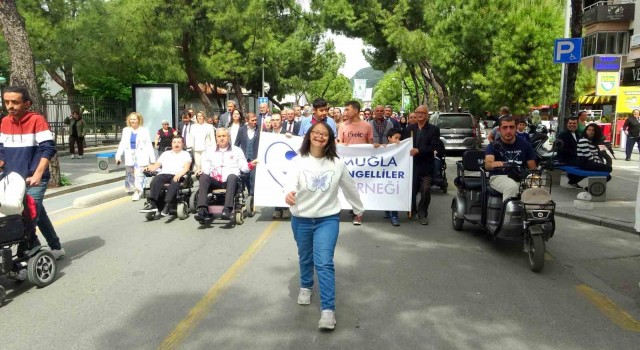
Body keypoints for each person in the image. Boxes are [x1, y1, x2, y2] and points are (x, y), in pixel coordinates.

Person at [284, 121, 364, 330]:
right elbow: (290, 182)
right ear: (309, 135)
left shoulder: (337, 163)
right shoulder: (298, 161)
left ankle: (328, 311)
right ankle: (306, 285)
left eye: (324, 134)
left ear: (329, 139)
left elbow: (349, 187)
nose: (320, 136)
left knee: (324, 262)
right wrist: (289, 193)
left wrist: (358, 209)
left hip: (327, 219)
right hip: (301, 217)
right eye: (316, 133)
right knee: (305, 256)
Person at [0, 86, 65, 259]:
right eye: (7, 101)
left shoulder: (37, 120)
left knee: (27, 221)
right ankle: (55, 246)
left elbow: (48, 149)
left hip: (33, 178)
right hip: (13, 180)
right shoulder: (5, 122)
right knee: (37, 213)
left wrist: (38, 174)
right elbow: (2, 150)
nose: (10, 106)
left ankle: (24, 257)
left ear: (27, 103)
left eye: (15, 102)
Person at [195, 128, 256, 221]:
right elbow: (206, 169)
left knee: (232, 176)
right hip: (215, 180)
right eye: (219, 136)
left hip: (231, 181)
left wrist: (251, 165)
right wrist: (202, 172)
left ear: (229, 137)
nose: (221, 138)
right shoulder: (209, 151)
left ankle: (227, 209)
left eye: (224, 136)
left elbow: (244, 168)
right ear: (216, 138)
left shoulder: (237, 150)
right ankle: (202, 209)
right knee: (203, 177)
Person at [402, 105, 440, 225]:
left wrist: (419, 150)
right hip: (412, 165)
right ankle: (412, 210)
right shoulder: (410, 129)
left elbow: (435, 146)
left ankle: (422, 213)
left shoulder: (433, 130)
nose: (419, 115)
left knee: (425, 190)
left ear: (427, 115)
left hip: (426, 164)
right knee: (411, 189)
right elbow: (403, 143)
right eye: (417, 112)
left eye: (422, 113)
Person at [484, 116, 537, 201]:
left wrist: (534, 177)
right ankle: (508, 214)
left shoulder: (526, 145)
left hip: (520, 176)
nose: (508, 131)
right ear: (499, 130)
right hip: (499, 176)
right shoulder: (493, 145)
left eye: (511, 127)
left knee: (538, 188)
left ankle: (531, 213)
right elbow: (488, 164)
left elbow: (532, 168)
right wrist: (493, 164)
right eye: (505, 127)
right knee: (511, 187)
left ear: (516, 128)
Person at [139, 136, 192, 216]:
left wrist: (180, 174)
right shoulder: (165, 154)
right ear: (171, 144)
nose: (176, 144)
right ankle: (152, 204)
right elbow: (155, 166)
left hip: (177, 174)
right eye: (174, 142)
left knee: (174, 183)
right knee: (155, 180)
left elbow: (186, 168)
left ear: (183, 144)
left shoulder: (186, 154)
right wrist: (148, 168)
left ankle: (168, 204)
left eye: (179, 142)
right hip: (164, 174)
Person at [116, 112, 156, 201]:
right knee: (130, 174)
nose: (132, 121)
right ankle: (136, 188)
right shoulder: (126, 130)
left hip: (141, 155)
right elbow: (122, 143)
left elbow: (149, 145)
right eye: (131, 119)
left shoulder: (144, 130)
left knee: (139, 174)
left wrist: (152, 160)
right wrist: (118, 155)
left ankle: (137, 191)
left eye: (134, 119)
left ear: (139, 120)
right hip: (130, 155)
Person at [234, 113, 260, 201]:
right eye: (252, 120)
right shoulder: (242, 130)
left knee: (253, 178)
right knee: (246, 178)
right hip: (244, 159)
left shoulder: (260, 130)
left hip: (255, 159)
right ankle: (250, 193)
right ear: (247, 120)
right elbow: (236, 144)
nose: (255, 122)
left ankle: (252, 196)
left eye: (255, 120)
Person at [556, 117, 583, 188]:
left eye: (574, 123)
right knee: (585, 165)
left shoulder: (578, 134)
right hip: (565, 158)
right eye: (570, 123)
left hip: (575, 157)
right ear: (567, 124)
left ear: (577, 124)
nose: (572, 125)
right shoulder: (563, 135)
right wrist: (578, 155)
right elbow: (563, 150)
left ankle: (573, 179)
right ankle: (573, 180)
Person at [386, 128, 402, 226]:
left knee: (394, 193)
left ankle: (395, 215)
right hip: (384, 175)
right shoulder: (383, 147)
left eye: (399, 139)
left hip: (395, 176)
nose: (398, 141)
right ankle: (387, 211)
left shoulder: (401, 148)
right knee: (386, 193)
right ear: (389, 138)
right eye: (396, 138)